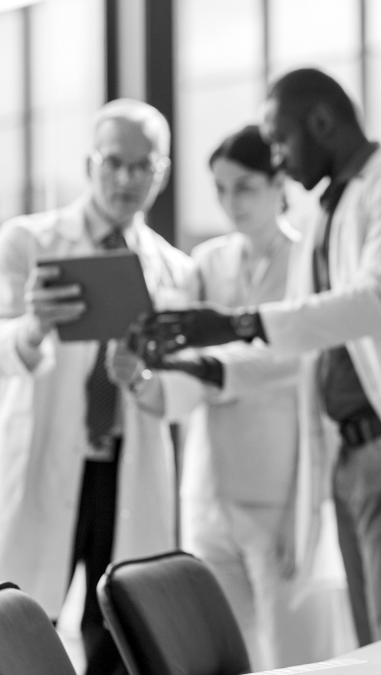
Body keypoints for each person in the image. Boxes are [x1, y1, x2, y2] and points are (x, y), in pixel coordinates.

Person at [135, 68, 381, 645]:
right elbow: (304, 342)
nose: (279, 157)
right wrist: (200, 359)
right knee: (374, 643)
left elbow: (379, 304)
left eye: (280, 139)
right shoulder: (329, 213)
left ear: (322, 122)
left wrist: (237, 324)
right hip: (346, 456)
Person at [0, 99, 198, 675]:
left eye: (143, 167)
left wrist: (140, 377)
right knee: (19, 628)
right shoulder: (28, 243)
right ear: (91, 164)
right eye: (114, 162)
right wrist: (34, 326)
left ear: (160, 173)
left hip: (123, 469)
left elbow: (188, 390)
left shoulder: (176, 271)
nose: (126, 179)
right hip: (44, 462)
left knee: (119, 635)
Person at [153, 125, 351, 668]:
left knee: (294, 658)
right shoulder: (209, 263)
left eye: (243, 187)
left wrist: (212, 368)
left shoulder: (307, 260)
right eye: (219, 189)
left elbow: (293, 358)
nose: (229, 202)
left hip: (279, 492)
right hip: (208, 491)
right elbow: (178, 368)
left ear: (278, 183)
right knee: (218, 655)